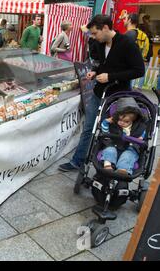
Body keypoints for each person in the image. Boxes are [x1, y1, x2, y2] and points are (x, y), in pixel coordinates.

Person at [59, 14, 145, 172]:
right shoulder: (100, 43)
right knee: (89, 128)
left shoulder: (126, 43)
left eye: (94, 33)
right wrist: (94, 71)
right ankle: (77, 161)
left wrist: (111, 77)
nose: (93, 36)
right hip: (99, 93)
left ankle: (111, 164)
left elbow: (139, 70)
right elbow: (100, 64)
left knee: (113, 131)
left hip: (118, 97)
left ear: (105, 28)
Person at [101, 97, 146, 177]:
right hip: (114, 144)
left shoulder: (137, 127)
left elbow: (143, 132)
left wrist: (140, 138)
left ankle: (123, 169)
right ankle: (108, 165)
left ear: (133, 120)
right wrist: (106, 122)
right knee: (109, 150)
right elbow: (105, 132)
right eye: (120, 120)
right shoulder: (114, 125)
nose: (122, 123)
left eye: (126, 121)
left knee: (128, 155)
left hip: (130, 147)